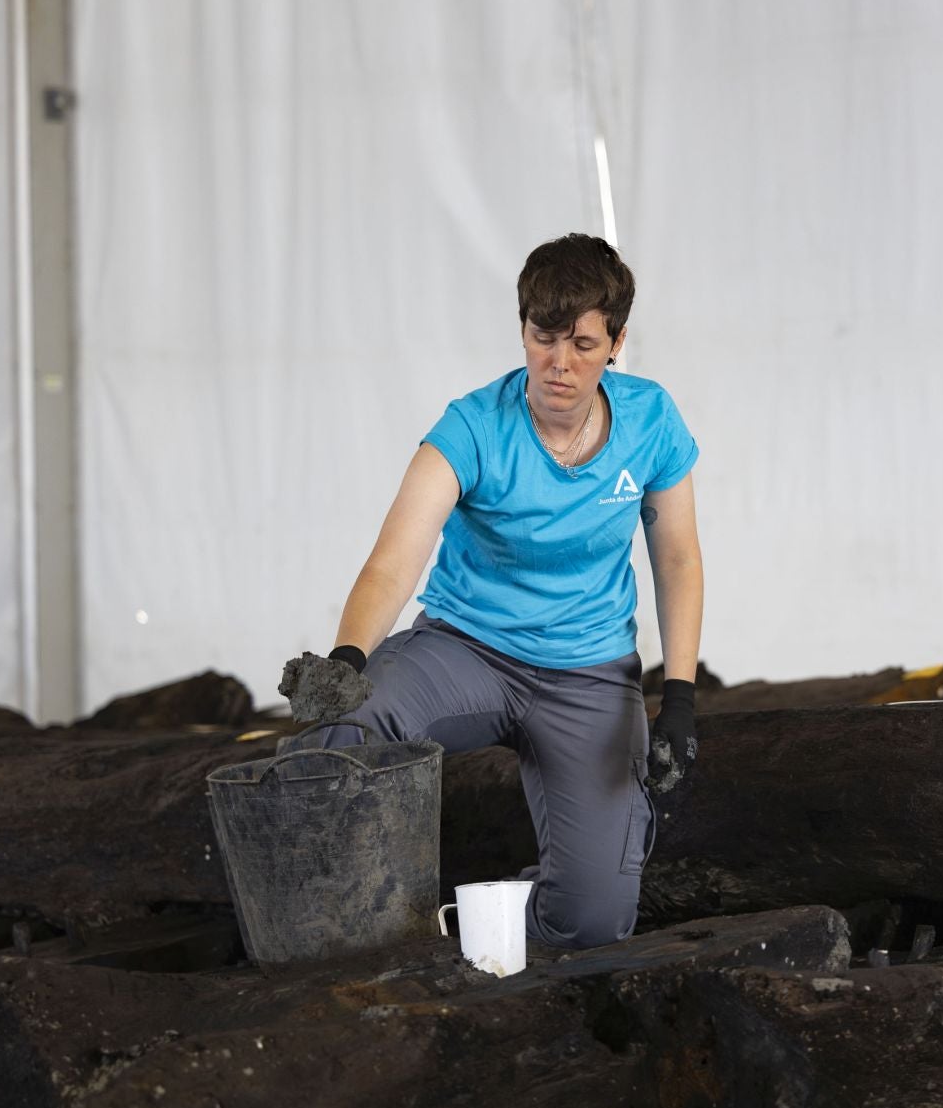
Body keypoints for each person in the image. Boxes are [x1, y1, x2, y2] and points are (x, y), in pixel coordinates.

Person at [280, 232, 703, 949]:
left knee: (595, 918)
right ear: (523, 328)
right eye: (543, 337)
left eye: (582, 343)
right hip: (467, 651)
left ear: (617, 344)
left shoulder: (652, 421)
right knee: (339, 733)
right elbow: (394, 560)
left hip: (589, 673)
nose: (559, 363)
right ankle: (355, 931)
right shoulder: (472, 427)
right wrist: (347, 659)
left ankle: (482, 929)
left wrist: (682, 698)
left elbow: (680, 562)